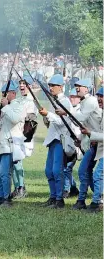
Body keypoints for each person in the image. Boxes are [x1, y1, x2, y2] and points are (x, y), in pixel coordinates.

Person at [57, 80, 102, 210]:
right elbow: (85, 125)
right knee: (86, 171)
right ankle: (85, 199)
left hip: (97, 142)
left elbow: (81, 118)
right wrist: (80, 139)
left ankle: (91, 200)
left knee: (92, 173)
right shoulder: (85, 102)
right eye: (76, 87)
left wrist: (65, 112)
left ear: (87, 89)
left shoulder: (90, 101)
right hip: (93, 141)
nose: (77, 89)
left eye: (79, 87)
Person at [39, 74, 73, 209]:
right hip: (52, 139)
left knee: (56, 171)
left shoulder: (65, 102)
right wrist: (45, 117)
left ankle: (59, 200)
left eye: (53, 85)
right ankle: (53, 197)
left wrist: (48, 114)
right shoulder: (54, 100)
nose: (51, 88)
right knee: (48, 171)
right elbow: (51, 123)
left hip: (60, 140)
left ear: (61, 87)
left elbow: (61, 122)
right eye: (50, 85)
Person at [0, 80, 25, 207]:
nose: (3, 96)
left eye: (5, 94)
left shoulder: (18, 105)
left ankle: (6, 198)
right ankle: (0, 196)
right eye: (2, 94)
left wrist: (6, 106)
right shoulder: (4, 107)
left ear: (13, 93)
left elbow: (15, 119)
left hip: (10, 145)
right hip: (0, 144)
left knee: (4, 173)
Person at [11, 77, 38, 199]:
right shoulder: (19, 99)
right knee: (12, 161)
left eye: (24, 84)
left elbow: (31, 118)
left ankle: (21, 187)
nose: (22, 86)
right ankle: (17, 187)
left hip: (24, 134)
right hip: (14, 132)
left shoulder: (31, 101)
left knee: (17, 160)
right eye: (20, 83)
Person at [80, 87, 103, 212]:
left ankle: (96, 203)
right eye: (98, 96)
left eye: (102, 96)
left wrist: (91, 134)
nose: (99, 98)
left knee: (98, 174)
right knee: (93, 173)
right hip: (99, 148)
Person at [63, 87, 80, 198]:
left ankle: (66, 189)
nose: (72, 99)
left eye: (75, 97)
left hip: (76, 143)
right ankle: (73, 188)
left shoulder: (81, 110)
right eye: (71, 97)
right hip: (67, 142)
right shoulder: (67, 109)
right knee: (66, 168)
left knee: (67, 168)